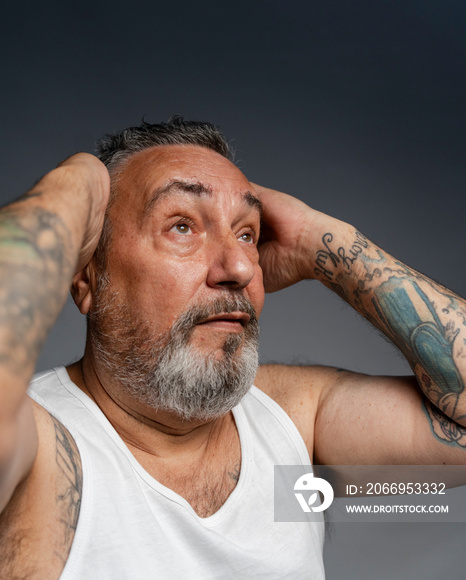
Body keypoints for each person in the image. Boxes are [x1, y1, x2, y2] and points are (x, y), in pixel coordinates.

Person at [0, 117, 465, 579]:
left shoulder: (295, 424)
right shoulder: (38, 448)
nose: (240, 266)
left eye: (247, 233)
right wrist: (74, 184)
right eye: (182, 226)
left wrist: (323, 243)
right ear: (86, 279)